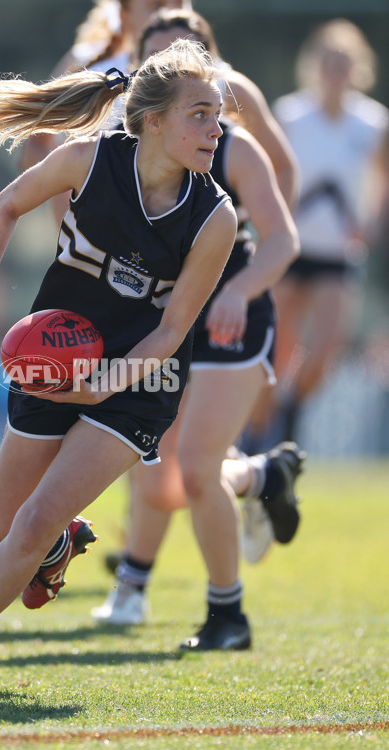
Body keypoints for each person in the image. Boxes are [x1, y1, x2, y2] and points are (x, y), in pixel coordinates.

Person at [0, 38, 238, 699]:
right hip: (54, 359)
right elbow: (4, 209)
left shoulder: (214, 217)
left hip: (140, 383)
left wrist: (105, 382)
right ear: (153, 120)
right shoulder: (89, 159)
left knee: (31, 520)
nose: (215, 128)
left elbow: (171, 331)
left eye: (218, 115)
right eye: (200, 113)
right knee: (5, 527)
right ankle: (56, 548)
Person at [91, 9, 303, 648]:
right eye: (153, 68)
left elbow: (281, 239)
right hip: (170, 323)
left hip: (230, 323)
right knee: (161, 476)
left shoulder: (235, 148)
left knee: (197, 466)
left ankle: (227, 617)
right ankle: (263, 477)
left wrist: (239, 288)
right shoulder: (126, 157)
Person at [245, 19, 389, 449]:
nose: (335, 73)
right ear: (315, 66)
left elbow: (382, 179)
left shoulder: (373, 123)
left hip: (339, 254)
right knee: (275, 352)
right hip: (289, 250)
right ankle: (257, 438)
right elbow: (266, 173)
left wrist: (372, 223)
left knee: (324, 353)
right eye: (329, 62)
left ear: (357, 69)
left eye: (344, 64)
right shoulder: (291, 114)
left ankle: (288, 418)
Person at [20, 0, 298, 223]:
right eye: (156, 6)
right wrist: (70, 228)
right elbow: (38, 148)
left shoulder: (226, 84)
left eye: (178, 2)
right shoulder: (95, 73)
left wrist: (262, 249)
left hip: (205, 266)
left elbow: (282, 167)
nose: (170, 13)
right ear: (125, 15)